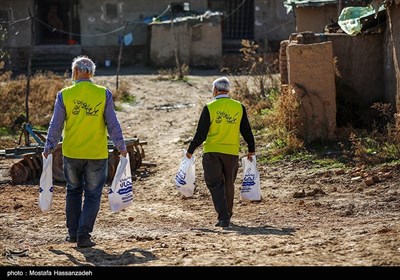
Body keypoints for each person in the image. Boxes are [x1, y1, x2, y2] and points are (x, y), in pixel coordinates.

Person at [43, 56, 127, 248]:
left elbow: (55, 125)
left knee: (73, 191)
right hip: (96, 154)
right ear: (91, 73)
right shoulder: (102, 94)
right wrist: (121, 146)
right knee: (92, 195)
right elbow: (112, 123)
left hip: (71, 153)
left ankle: (72, 234)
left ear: (75, 72)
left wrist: (48, 147)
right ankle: (84, 235)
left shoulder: (64, 95)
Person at [186, 76, 255, 228]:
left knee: (215, 183)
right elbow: (246, 130)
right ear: (228, 90)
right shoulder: (238, 107)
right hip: (231, 152)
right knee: (229, 183)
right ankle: (227, 214)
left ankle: (223, 216)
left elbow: (201, 133)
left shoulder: (209, 107)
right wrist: (251, 149)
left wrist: (190, 150)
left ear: (215, 90)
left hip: (212, 152)